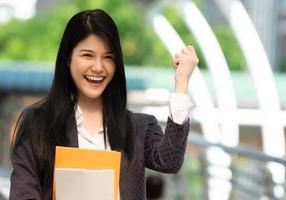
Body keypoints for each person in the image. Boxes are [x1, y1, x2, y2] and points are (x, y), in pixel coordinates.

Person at [9, 9, 198, 200]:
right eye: (87, 55)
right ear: (68, 58)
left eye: (108, 57)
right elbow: (23, 194)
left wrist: (181, 83)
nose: (98, 67)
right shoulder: (38, 123)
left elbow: (170, 161)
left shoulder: (137, 127)